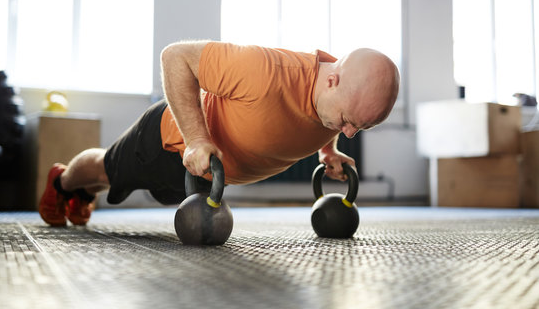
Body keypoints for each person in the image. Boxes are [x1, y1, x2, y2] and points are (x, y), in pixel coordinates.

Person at [38, 41, 400, 226]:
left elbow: (323, 122)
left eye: (361, 128)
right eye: (349, 121)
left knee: (143, 190)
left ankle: (78, 188)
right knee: (105, 171)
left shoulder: (333, 99)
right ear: (332, 81)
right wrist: (196, 139)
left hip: (203, 178)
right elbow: (174, 57)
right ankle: (63, 182)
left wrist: (328, 151)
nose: (351, 133)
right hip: (168, 141)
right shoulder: (267, 71)